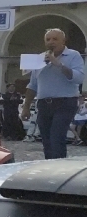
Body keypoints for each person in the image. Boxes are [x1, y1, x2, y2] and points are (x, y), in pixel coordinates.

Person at [21, 28, 84, 159]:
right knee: (46, 140)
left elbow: (78, 78)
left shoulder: (73, 55)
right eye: (48, 39)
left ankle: (58, 169)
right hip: (44, 104)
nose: (51, 42)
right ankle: (50, 166)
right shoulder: (39, 59)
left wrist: (58, 64)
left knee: (57, 137)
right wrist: (26, 107)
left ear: (63, 41)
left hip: (65, 103)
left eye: (55, 39)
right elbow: (32, 85)